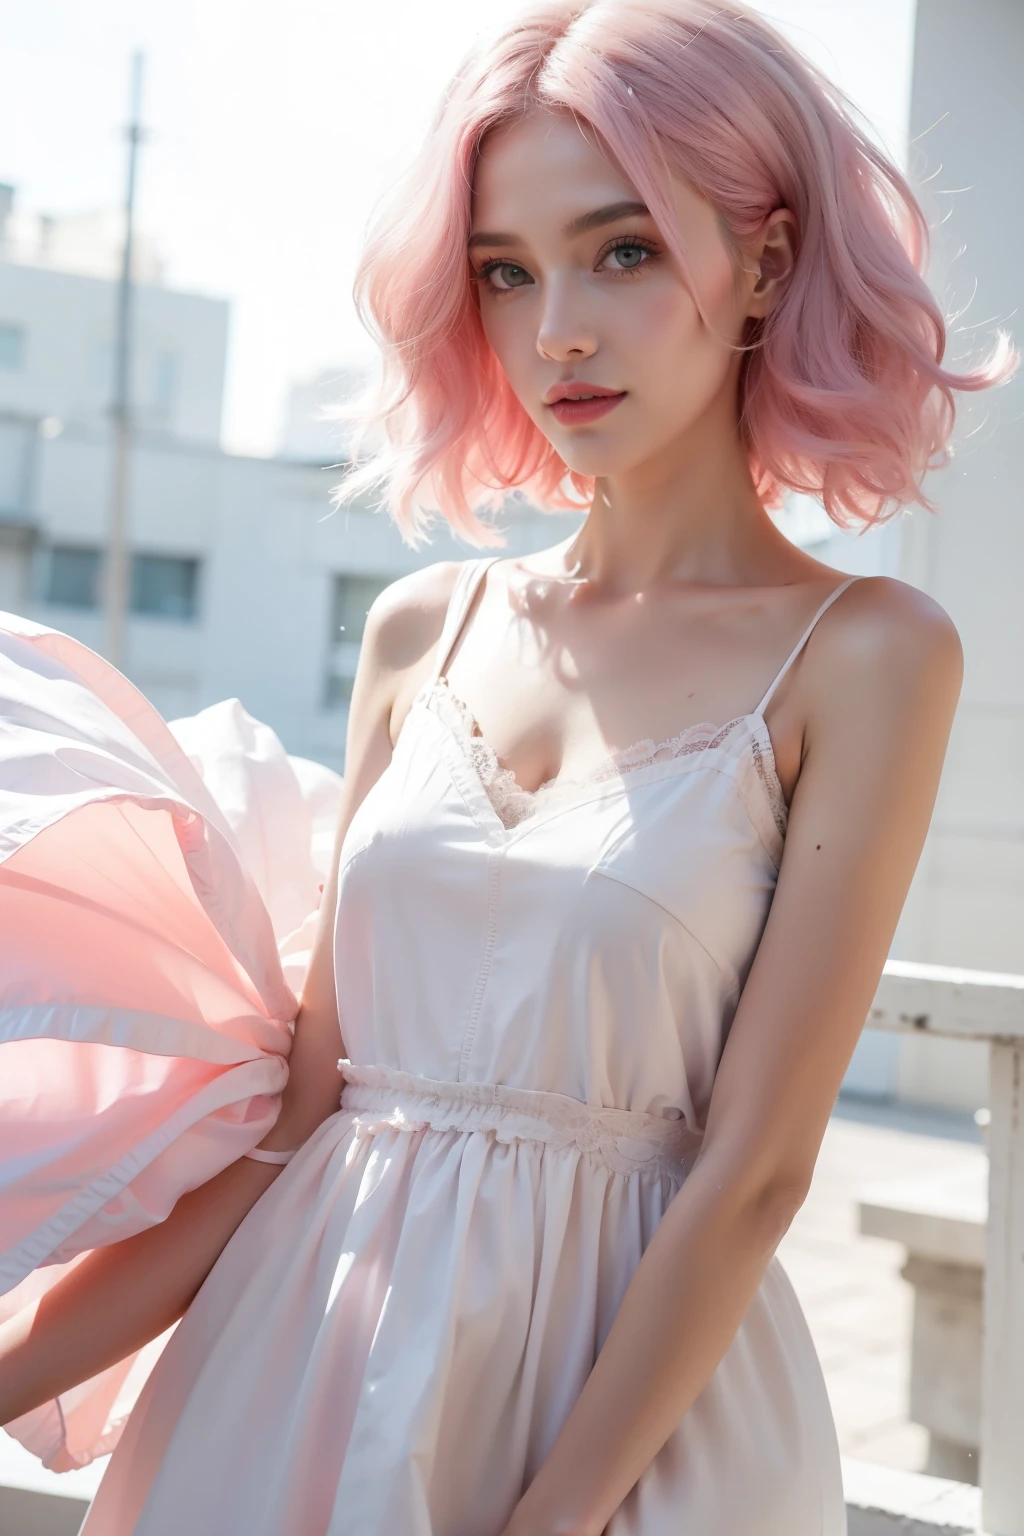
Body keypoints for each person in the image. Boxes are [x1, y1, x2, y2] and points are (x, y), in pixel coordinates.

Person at [0, 1, 1016, 1532]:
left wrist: (553, 1515)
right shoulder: (423, 628)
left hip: (624, 1426)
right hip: (304, 1373)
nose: (559, 334)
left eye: (622, 249)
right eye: (505, 273)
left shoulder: (869, 655)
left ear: (762, 259)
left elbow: (754, 1169)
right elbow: (300, 1116)